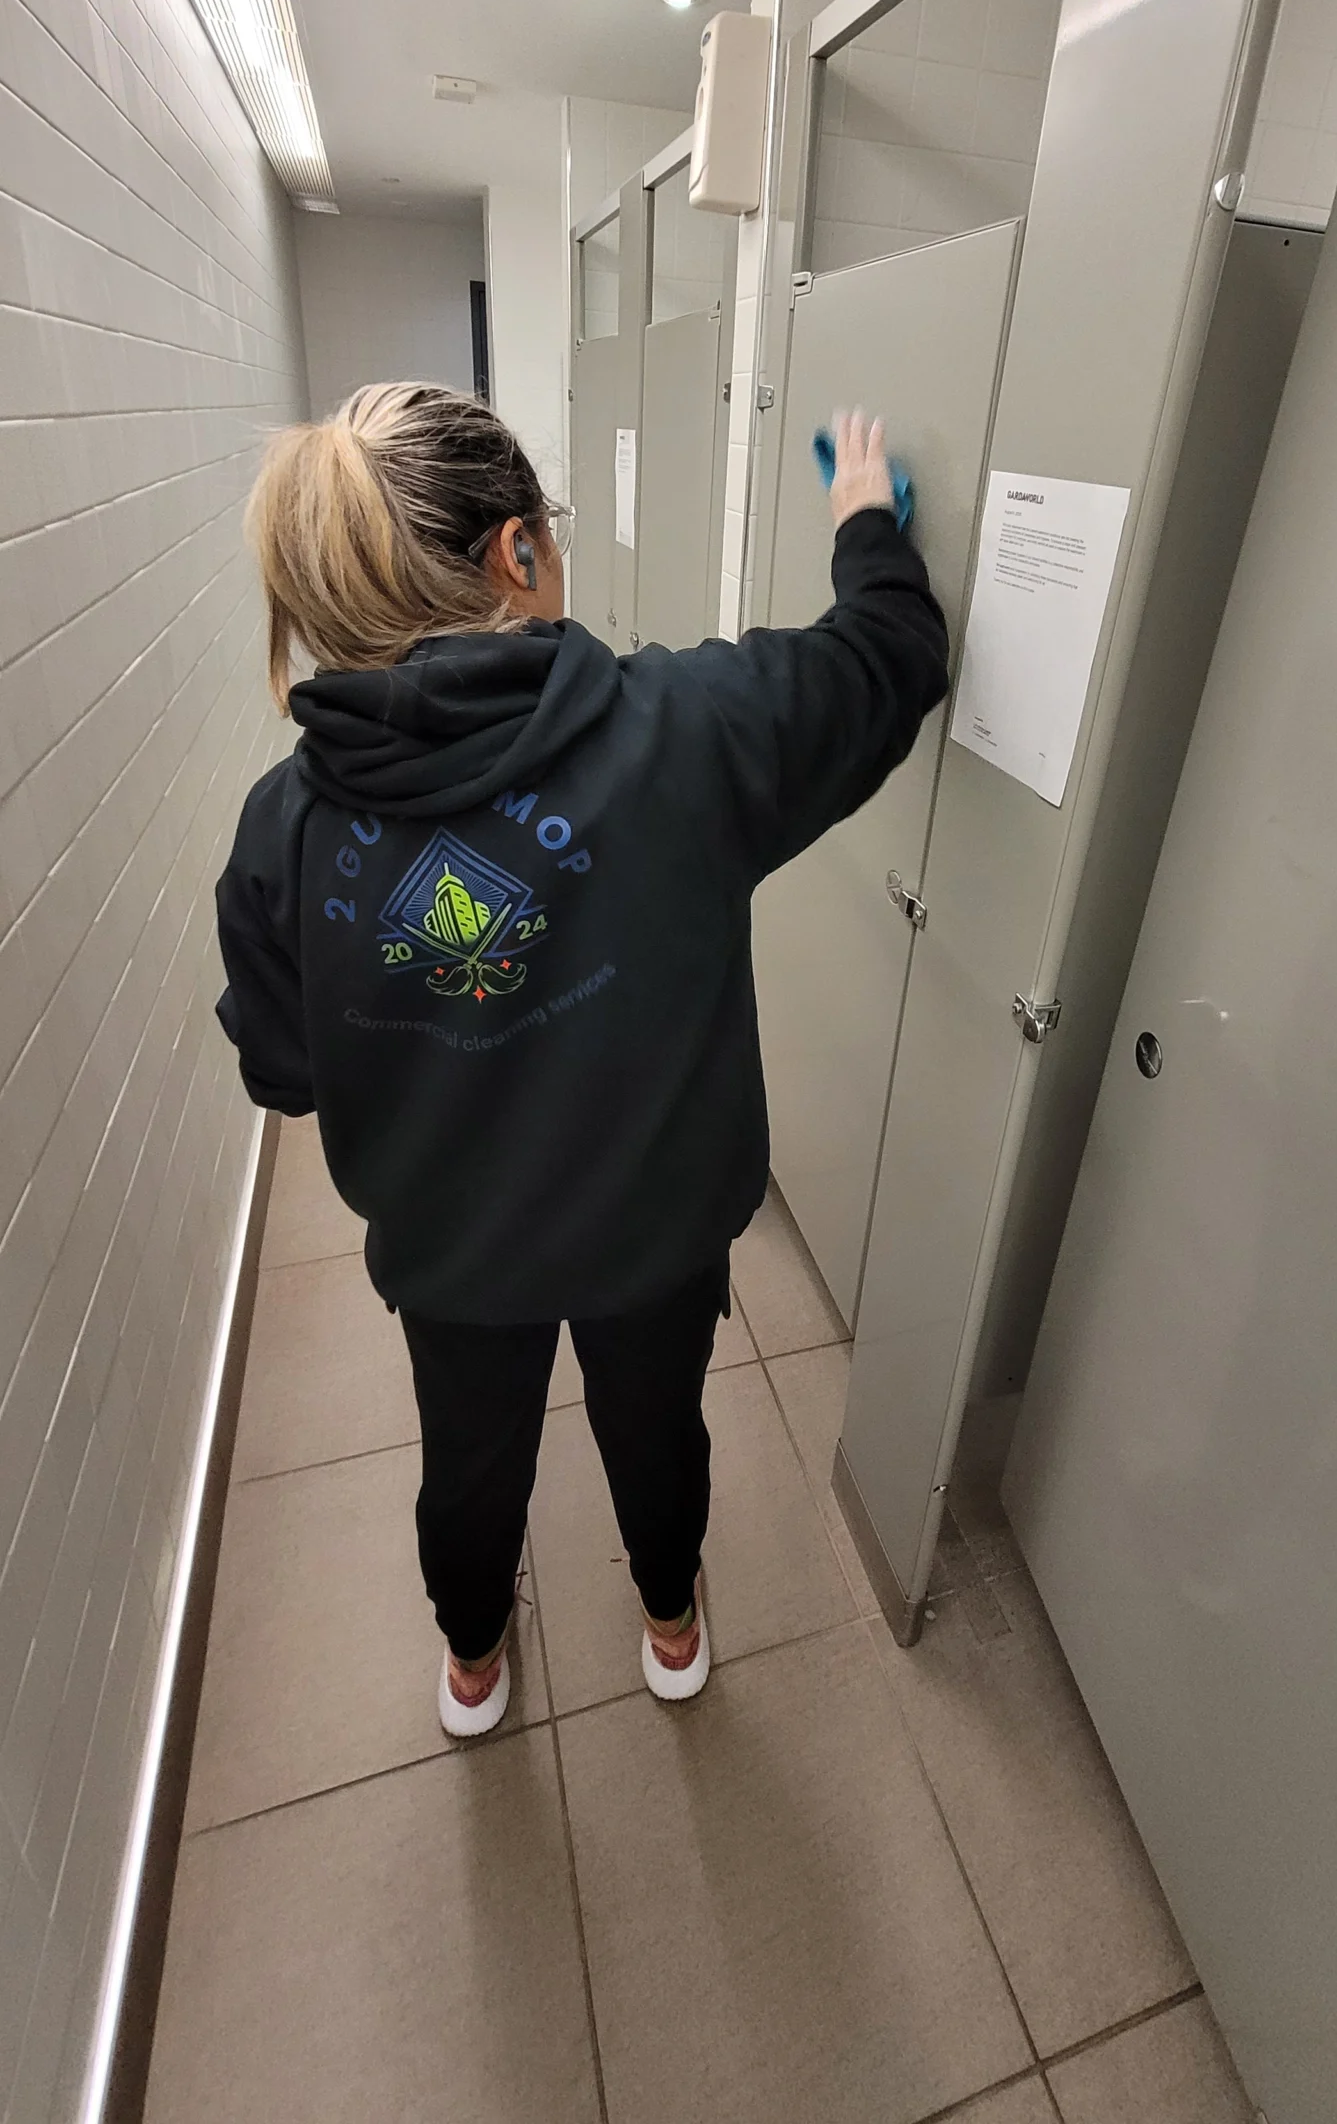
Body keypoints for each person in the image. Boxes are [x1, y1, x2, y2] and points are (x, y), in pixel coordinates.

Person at [216, 383, 949, 1735]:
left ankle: (474, 1663)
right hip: (653, 1234)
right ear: (516, 554)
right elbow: (889, 655)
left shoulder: (283, 832)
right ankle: (670, 1624)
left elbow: (288, 1077)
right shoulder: (689, 732)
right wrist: (863, 516)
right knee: (656, 1428)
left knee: (471, 1459)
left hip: (455, 1254)